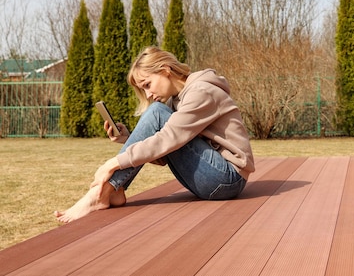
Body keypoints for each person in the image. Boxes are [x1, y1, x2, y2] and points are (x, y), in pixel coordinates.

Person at [54, 46, 255, 223]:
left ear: (165, 70)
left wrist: (113, 163)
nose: (148, 94)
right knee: (157, 112)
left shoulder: (202, 92)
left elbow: (167, 140)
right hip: (213, 176)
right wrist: (127, 138)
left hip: (228, 178)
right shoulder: (174, 101)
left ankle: (103, 192)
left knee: (156, 112)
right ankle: (112, 191)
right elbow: (166, 155)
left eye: (147, 84)